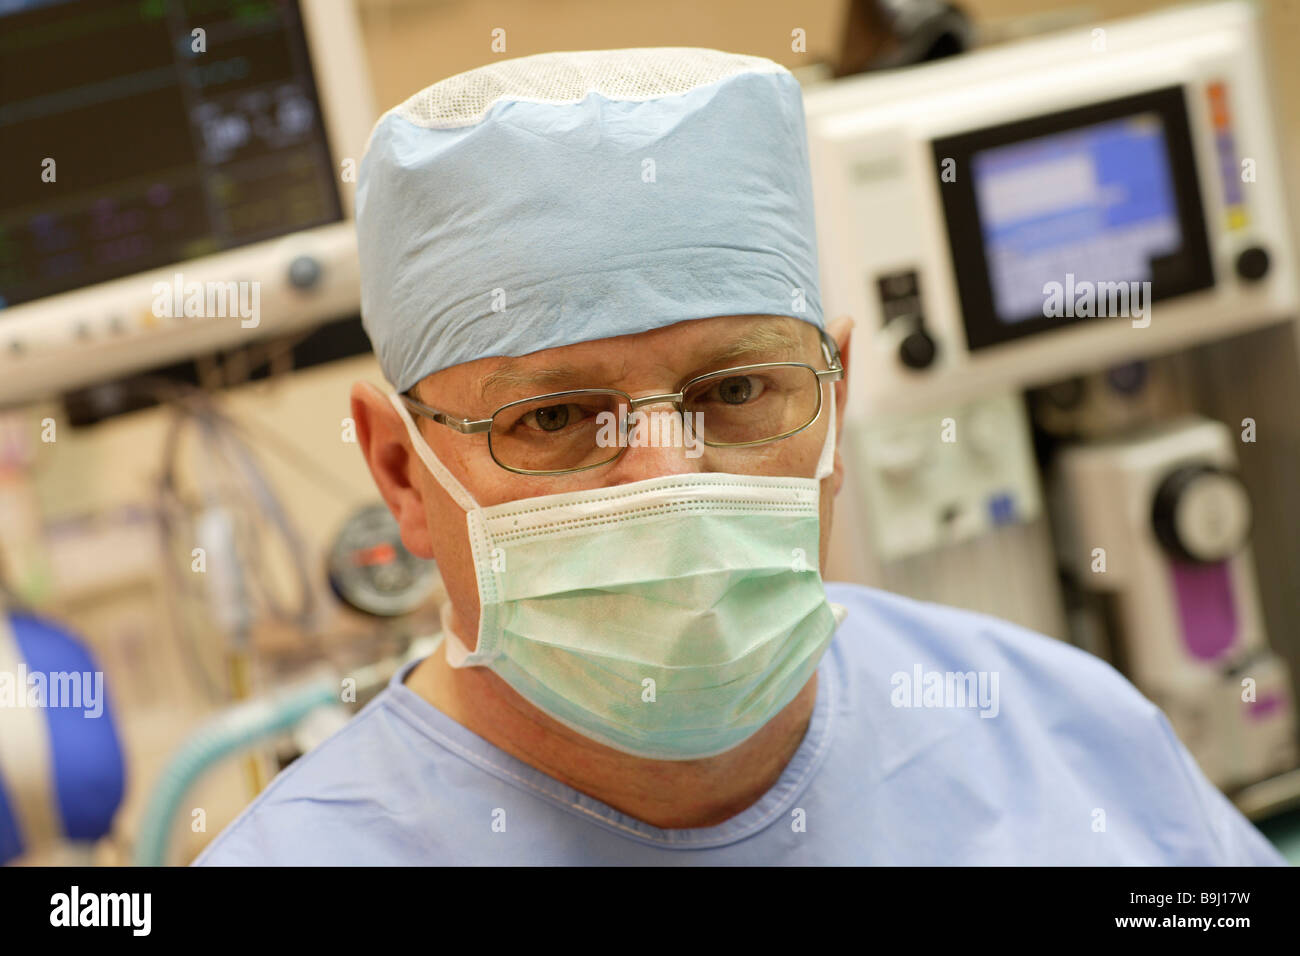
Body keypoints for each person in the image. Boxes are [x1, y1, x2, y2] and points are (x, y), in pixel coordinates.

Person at [195, 48, 1284, 865]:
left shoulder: (1064, 737)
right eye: (557, 419)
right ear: (400, 471)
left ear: (838, 405)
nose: (667, 473)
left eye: (734, 393)